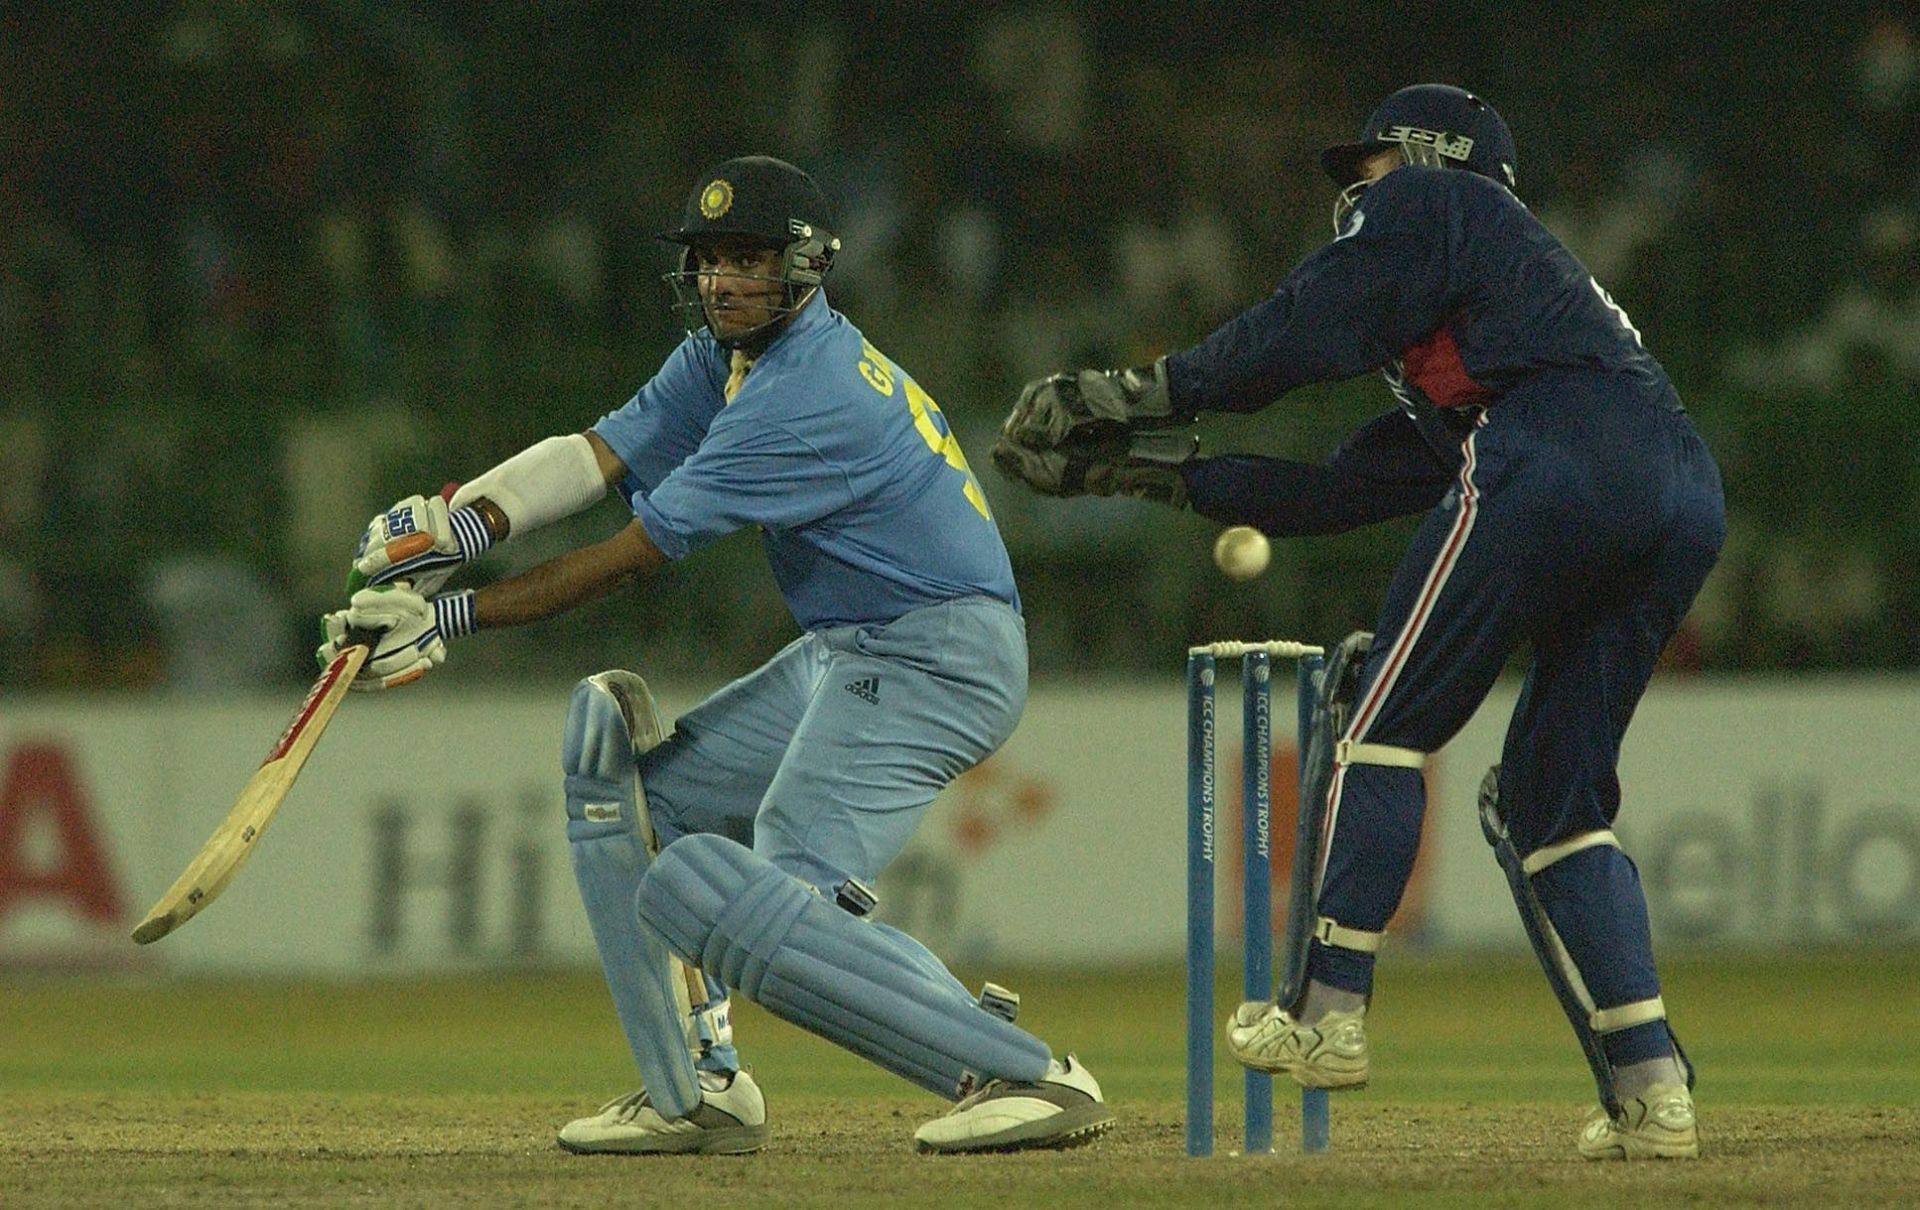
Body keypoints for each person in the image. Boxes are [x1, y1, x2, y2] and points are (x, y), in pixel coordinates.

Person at [317, 155, 1114, 1156]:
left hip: (937, 652)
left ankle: (1023, 1070)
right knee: (644, 803)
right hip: (851, 641)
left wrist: (451, 620)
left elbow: (627, 556)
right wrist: (458, 529)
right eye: (707, 261)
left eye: (748, 260)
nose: (723, 281)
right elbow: (593, 456)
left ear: (804, 269)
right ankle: (694, 1088)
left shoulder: (804, 393)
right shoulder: (721, 359)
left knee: (778, 881)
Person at [993, 85, 1724, 1160]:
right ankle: (1654, 1087)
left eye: (1367, 165)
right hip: (1677, 491)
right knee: (1552, 802)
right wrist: (1153, 475)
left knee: (1375, 720)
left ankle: (1329, 1009)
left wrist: (1142, 390)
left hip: (1555, 458)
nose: (1355, 191)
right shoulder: (1510, 315)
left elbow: (1299, 330)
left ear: (1432, 156)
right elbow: (1343, 490)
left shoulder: (1437, 201)